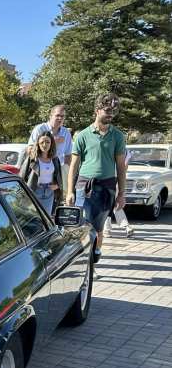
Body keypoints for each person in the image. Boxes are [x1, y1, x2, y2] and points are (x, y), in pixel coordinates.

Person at [65, 93, 127, 261]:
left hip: (107, 188)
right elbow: (73, 166)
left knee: (99, 227)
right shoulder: (83, 135)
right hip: (84, 187)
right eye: (107, 110)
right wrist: (69, 191)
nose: (111, 114)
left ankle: (95, 253)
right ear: (97, 110)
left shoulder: (118, 136)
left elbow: (121, 167)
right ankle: (82, 258)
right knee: (81, 226)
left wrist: (121, 194)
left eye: (114, 111)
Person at [19, 131, 62, 214]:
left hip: (49, 192)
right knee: (33, 219)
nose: (44, 145)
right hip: (34, 191)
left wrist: (57, 185)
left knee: (46, 220)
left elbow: (59, 177)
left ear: (51, 144)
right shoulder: (32, 159)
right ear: (38, 143)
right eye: (42, 142)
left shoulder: (55, 160)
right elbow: (22, 176)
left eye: (47, 142)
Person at [29, 105, 72, 179]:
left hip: (57, 174)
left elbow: (68, 155)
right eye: (57, 115)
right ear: (51, 116)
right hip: (39, 173)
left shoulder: (66, 133)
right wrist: (52, 141)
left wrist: (65, 173)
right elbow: (30, 150)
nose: (60, 118)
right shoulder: (40, 129)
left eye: (62, 116)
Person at [103, 149, 134, 237]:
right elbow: (124, 168)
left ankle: (107, 228)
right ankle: (125, 226)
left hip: (110, 179)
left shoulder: (116, 149)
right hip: (115, 179)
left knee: (110, 204)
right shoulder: (126, 151)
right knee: (113, 203)